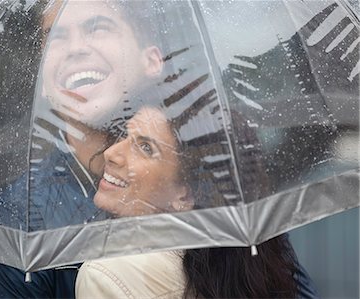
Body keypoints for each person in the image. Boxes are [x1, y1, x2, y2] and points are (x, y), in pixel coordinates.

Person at [0, 0, 164, 298]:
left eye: (98, 28)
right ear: (44, 82)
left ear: (151, 60)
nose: (75, 48)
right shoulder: (19, 218)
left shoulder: (206, 185)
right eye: (56, 36)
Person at [76, 103, 318, 298]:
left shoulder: (107, 275)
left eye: (146, 148)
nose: (111, 153)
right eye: (124, 136)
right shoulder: (249, 269)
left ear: (185, 195)